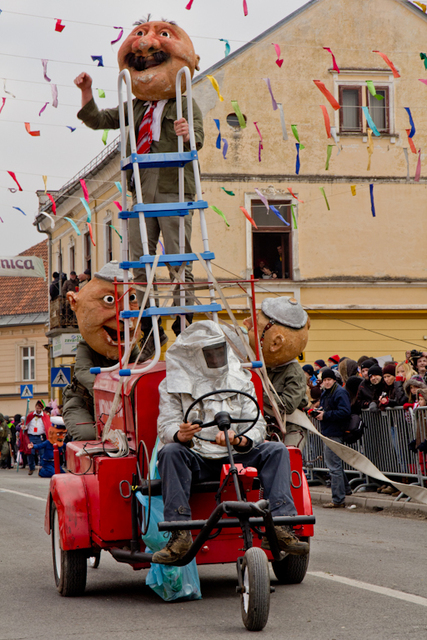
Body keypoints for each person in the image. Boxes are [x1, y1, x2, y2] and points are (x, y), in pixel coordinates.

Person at [75, 17, 203, 342]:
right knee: (137, 260)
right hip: (141, 194)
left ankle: (182, 318)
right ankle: (148, 320)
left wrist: (188, 134)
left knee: (178, 257)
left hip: (174, 190)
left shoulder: (185, 102)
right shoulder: (136, 106)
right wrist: (87, 91)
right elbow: (100, 119)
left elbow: (198, 138)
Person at [152, 320, 309, 564]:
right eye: (209, 353)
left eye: (219, 350)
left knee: (276, 449)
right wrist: (180, 434)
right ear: (195, 355)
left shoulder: (241, 379)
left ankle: (280, 527)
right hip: (197, 459)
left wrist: (240, 439)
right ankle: (179, 533)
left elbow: (257, 423)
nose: (216, 357)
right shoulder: (172, 386)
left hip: (237, 454)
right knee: (171, 451)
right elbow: (166, 425)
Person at [63, 261, 141, 441]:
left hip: (121, 404)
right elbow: (82, 371)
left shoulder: (130, 345)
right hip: (84, 402)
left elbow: (140, 366)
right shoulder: (87, 345)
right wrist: (106, 391)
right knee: (88, 436)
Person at [243, 297, 310, 450]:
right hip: (266, 427)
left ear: (276, 343)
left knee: (289, 462)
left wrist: (257, 392)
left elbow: (287, 405)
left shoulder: (294, 373)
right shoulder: (261, 367)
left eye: (255, 324)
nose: (246, 323)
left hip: (290, 428)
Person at [316, 368, 352, 508]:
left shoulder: (339, 392)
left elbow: (345, 411)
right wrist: (318, 412)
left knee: (334, 466)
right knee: (335, 464)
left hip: (335, 432)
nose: (327, 382)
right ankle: (346, 490)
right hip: (329, 430)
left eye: (329, 380)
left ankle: (338, 499)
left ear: (334, 380)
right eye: (325, 380)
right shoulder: (326, 392)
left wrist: (325, 415)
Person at [25, 401, 50, 475]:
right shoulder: (30, 415)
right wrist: (24, 427)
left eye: (40, 408)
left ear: (42, 409)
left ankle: (42, 468)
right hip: (31, 437)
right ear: (35, 407)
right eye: (37, 408)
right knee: (31, 453)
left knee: (42, 453)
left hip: (40, 437)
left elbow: (48, 426)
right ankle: (31, 467)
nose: (38, 409)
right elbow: (26, 425)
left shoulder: (45, 416)